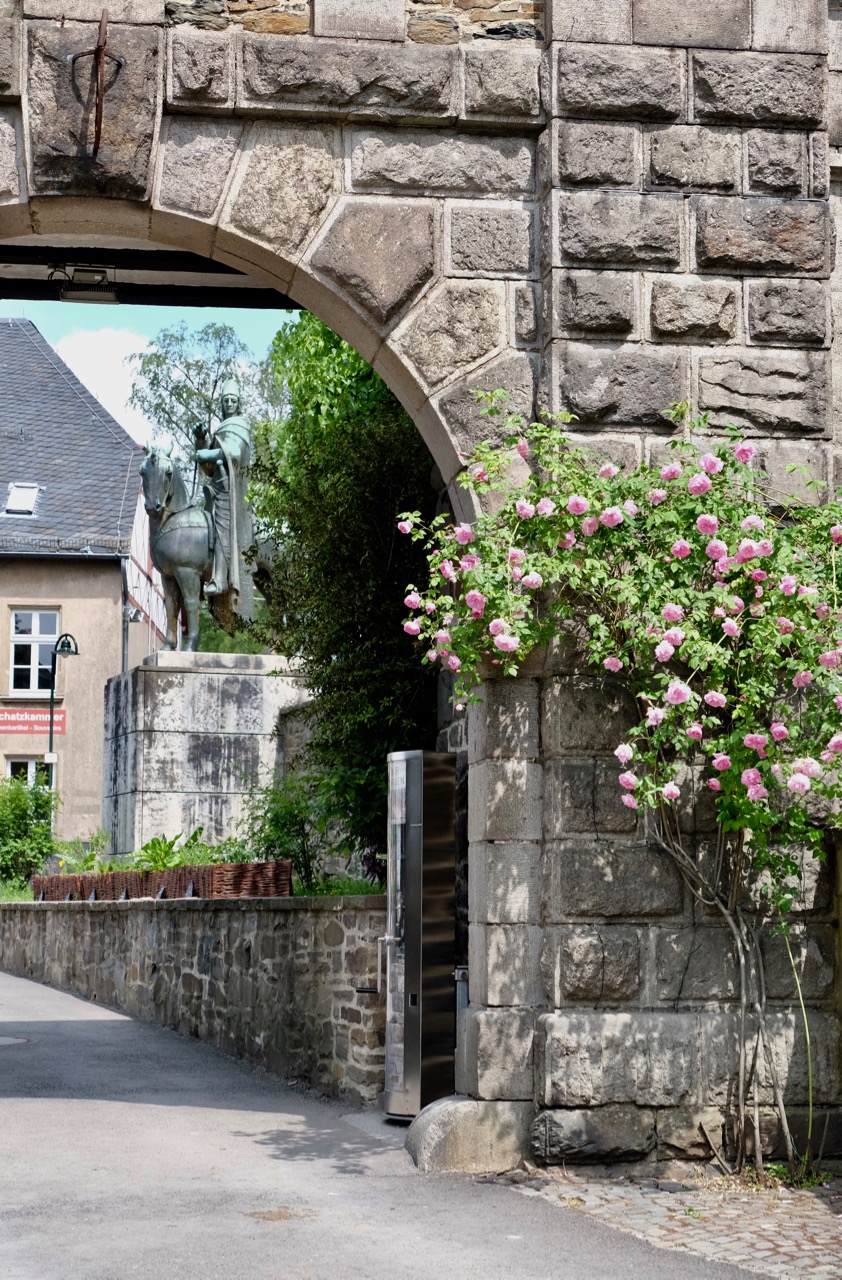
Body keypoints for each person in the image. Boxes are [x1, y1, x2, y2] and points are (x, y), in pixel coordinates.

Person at [195, 378, 253, 606]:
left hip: (231, 490)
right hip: (216, 486)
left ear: (238, 403)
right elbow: (208, 469)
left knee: (222, 524)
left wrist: (207, 454)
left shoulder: (240, 425)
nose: (229, 403)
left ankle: (220, 579)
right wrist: (201, 441)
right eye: (226, 400)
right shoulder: (221, 429)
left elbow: (235, 454)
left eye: (233, 400)